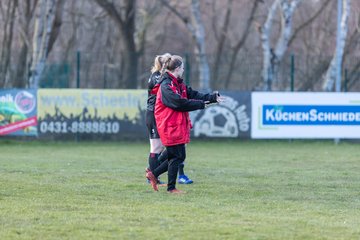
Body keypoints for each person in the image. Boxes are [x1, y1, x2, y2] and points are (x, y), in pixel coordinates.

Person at [146, 55, 223, 193]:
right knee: (176, 156)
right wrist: (202, 105)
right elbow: (178, 103)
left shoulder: (176, 83)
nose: (183, 70)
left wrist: (212, 98)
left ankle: (154, 174)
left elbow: (191, 93)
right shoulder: (166, 85)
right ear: (176, 68)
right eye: (182, 67)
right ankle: (170, 188)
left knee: (176, 155)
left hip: (176, 123)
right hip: (169, 124)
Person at [145, 53, 193, 185]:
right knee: (157, 147)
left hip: (164, 114)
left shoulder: (168, 78)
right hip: (155, 114)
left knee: (177, 146)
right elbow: (170, 95)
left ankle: (157, 174)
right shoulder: (159, 78)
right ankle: (153, 176)